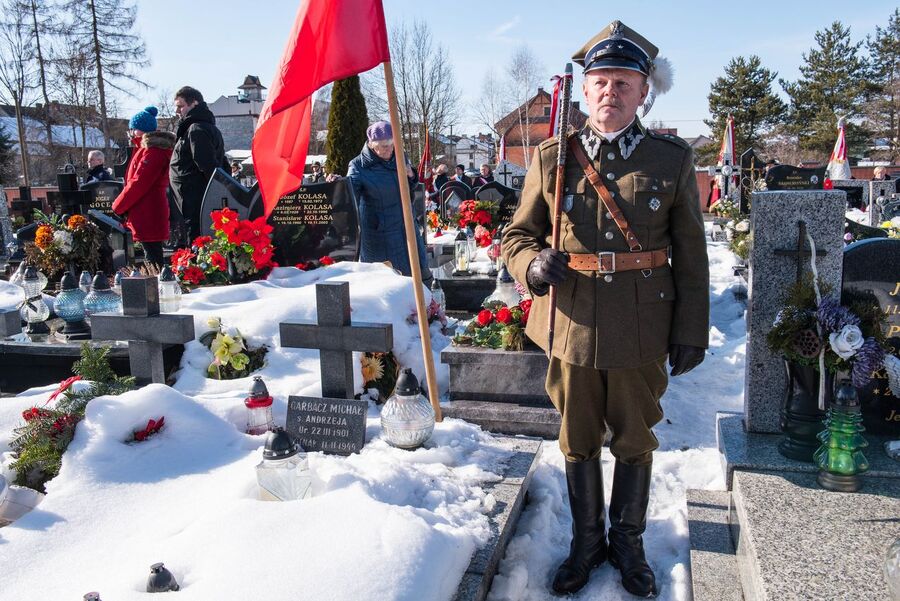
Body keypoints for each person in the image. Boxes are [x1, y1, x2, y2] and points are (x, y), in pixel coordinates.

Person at [502, 20, 709, 597]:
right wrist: (531, 265)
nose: (609, 92)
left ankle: (629, 541)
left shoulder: (670, 160)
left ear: (645, 92)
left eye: (623, 81)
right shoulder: (552, 157)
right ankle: (586, 541)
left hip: (643, 322)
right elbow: (517, 236)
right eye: (599, 81)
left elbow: (691, 251)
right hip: (570, 322)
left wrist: (692, 327)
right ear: (584, 89)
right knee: (577, 436)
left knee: (636, 438)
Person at [347, 121, 432, 286]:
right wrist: (339, 184)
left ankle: (423, 310)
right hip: (380, 234)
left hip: (406, 228)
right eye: (385, 146)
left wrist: (412, 175)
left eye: (392, 145)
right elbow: (349, 192)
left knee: (418, 277)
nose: (390, 150)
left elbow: (409, 187)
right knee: (388, 284)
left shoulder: (400, 156)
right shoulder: (358, 165)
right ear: (372, 145)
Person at [112, 106, 175, 270]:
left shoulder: (153, 151)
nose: (130, 132)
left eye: (132, 128)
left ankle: (157, 290)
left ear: (139, 130)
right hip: (146, 211)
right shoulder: (146, 150)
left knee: (153, 260)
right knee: (152, 257)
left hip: (149, 211)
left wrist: (118, 206)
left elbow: (139, 183)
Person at [169, 86, 226, 241]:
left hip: (195, 201)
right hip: (192, 199)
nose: (177, 111)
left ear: (194, 103)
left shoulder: (196, 129)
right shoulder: (199, 127)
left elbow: (207, 165)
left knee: (196, 243)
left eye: (180, 106)